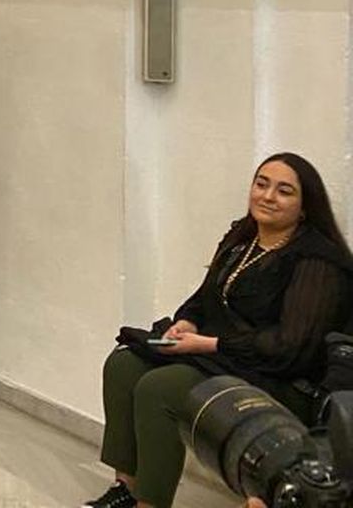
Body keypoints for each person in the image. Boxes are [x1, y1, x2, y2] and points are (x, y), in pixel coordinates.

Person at [87, 153, 353, 508]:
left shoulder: (318, 261)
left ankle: (150, 503)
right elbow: (203, 298)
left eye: (284, 191)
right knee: (123, 364)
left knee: (160, 387)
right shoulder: (242, 239)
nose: (268, 196)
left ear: (305, 207)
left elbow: (290, 348)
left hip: (284, 379)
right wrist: (187, 322)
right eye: (262, 184)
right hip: (230, 360)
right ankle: (126, 489)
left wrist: (209, 343)